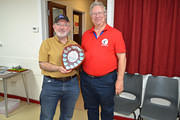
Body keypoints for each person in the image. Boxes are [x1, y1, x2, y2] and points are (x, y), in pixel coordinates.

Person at [80, 1, 127, 120]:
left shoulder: (116, 34)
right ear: (91, 16)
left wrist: (120, 80)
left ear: (105, 14)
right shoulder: (85, 35)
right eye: (94, 13)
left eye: (100, 13)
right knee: (91, 109)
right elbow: (83, 55)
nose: (97, 16)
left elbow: (122, 57)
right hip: (86, 79)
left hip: (106, 80)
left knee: (107, 110)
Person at [38, 14, 80, 120]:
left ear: (69, 28)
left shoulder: (75, 45)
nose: (62, 27)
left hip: (72, 84)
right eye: (59, 24)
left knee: (67, 116)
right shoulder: (46, 43)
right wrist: (58, 68)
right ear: (54, 27)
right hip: (51, 85)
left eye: (65, 25)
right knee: (46, 116)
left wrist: (76, 66)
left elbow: (78, 64)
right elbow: (42, 64)